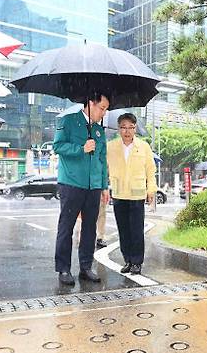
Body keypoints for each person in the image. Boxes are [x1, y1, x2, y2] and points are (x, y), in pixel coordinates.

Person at [53, 91, 110, 285]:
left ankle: (86, 267)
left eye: (106, 109)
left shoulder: (100, 131)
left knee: (89, 229)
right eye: (102, 108)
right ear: (91, 103)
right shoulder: (68, 121)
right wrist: (81, 149)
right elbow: (58, 146)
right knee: (66, 226)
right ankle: (63, 269)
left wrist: (104, 186)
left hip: (93, 186)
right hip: (71, 183)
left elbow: (102, 160)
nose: (104, 113)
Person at [107, 113, 157, 275]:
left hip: (137, 194)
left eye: (130, 127)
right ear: (118, 129)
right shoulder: (111, 147)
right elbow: (103, 168)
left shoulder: (143, 147)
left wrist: (151, 190)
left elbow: (151, 170)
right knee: (123, 230)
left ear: (135, 128)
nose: (127, 131)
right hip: (119, 193)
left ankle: (137, 262)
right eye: (123, 127)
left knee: (136, 230)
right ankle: (127, 260)